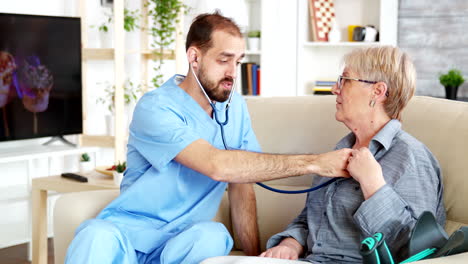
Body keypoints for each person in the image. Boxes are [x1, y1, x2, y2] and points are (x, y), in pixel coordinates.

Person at [65, 12, 351, 264]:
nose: (232, 73)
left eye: (237, 61)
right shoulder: (155, 107)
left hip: (182, 244)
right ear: (194, 57)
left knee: (213, 235)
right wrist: (315, 163)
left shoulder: (234, 107)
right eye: (223, 60)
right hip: (129, 234)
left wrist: (251, 260)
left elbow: (241, 187)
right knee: (95, 235)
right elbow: (218, 166)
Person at [260, 46, 445, 263]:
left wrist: (374, 186)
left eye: (344, 80)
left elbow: (420, 248)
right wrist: (291, 242)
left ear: (378, 91)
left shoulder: (411, 157)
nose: (334, 89)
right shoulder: (339, 152)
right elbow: (312, 219)